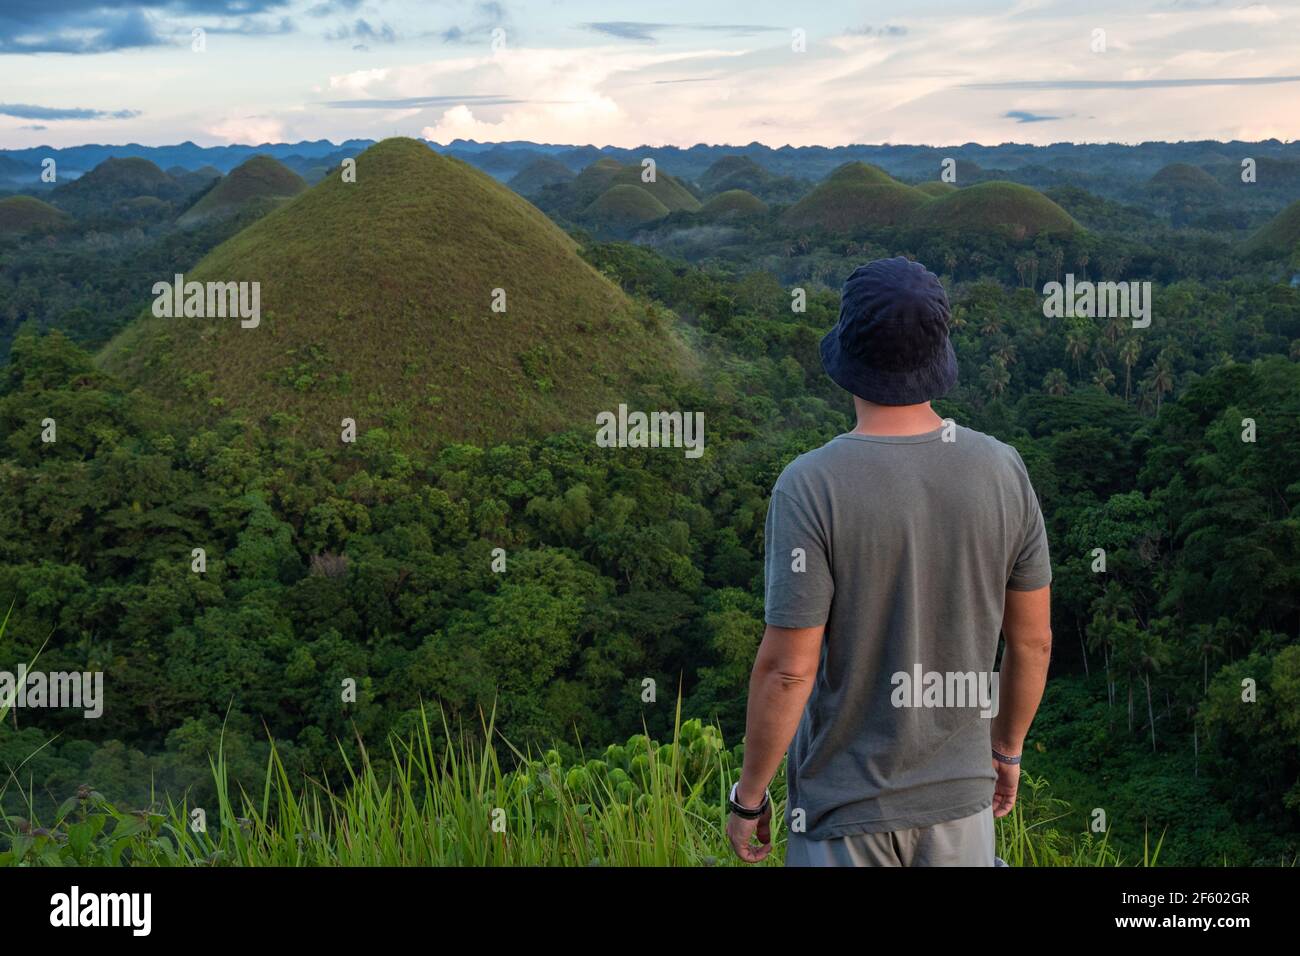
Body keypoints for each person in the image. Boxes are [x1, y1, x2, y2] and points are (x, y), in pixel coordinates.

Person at [726, 256, 1053, 867]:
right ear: (936, 358)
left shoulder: (810, 484)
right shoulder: (1003, 469)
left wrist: (749, 797)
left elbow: (789, 671)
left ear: (849, 359)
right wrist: (1006, 751)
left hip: (844, 812)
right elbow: (1032, 643)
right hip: (961, 804)